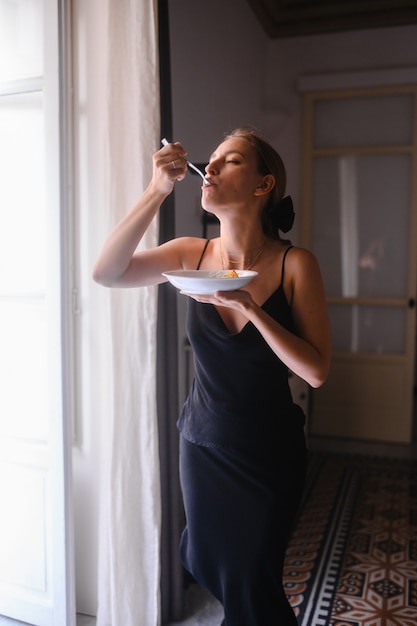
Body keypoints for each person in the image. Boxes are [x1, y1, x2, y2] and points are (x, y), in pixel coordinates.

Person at [93, 127, 331, 625]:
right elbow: (107, 273)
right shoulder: (191, 254)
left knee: (251, 584)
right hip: (201, 447)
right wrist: (157, 190)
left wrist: (252, 307)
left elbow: (315, 372)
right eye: (213, 159)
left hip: (266, 455)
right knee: (209, 563)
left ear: (263, 185)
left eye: (232, 160)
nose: (212, 167)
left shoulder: (294, 265)